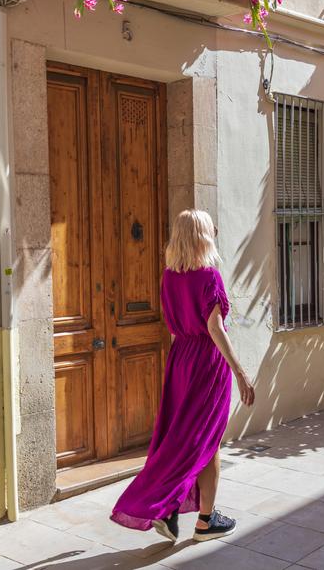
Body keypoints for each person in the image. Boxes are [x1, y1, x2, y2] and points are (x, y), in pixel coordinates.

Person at [111, 209, 255, 544]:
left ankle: (169, 508)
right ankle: (205, 520)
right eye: (211, 228)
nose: (216, 231)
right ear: (202, 236)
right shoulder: (209, 277)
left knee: (181, 438)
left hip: (181, 360)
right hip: (207, 361)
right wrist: (240, 372)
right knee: (207, 440)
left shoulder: (169, 276)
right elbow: (215, 328)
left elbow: (175, 326)